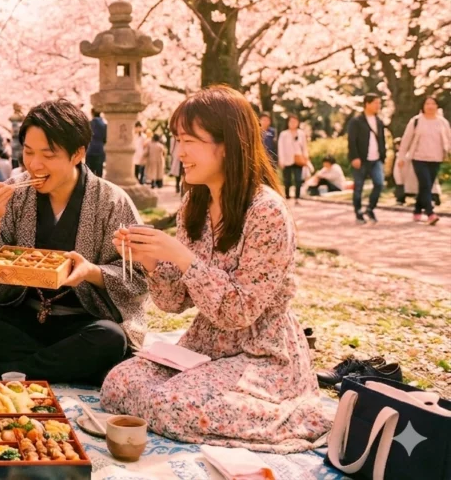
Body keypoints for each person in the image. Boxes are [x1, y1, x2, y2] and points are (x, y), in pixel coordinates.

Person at [101, 85, 330, 453]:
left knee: (173, 404)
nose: (181, 152)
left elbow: (239, 311)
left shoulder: (266, 212)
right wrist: (149, 260)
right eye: (178, 139)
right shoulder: (195, 202)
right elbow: (175, 303)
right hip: (203, 344)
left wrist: (183, 257)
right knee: (118, 382)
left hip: (259, 351)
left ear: (229, 143)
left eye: (190, 140)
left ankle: (290, 415)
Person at [0, 100, 148, 385]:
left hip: (81, 321)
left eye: (48, 154)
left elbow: (136, 277)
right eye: (28, 153)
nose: (34, 164)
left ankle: (4, 370)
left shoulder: (111, 200)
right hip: (24, 316)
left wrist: (91, 272)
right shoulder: (15, 193)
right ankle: (69, 366)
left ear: (77, 154)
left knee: (110, 338)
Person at [397, 96, 451, 225]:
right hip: (419, 158)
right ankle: (430, 213)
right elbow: (406, 140)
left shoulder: (442, 122)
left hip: (436, 158)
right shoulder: (416, 121)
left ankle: (417, 210)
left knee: (425, 187)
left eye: (433, 103)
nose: (430, 106)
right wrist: (401, 157)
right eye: (427, 103)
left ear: (437, 106)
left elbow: (449, 139)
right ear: (423, 106)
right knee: (426, 184)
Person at [347, 92, 387, 225]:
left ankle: (370, 208)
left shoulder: (379, 121)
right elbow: (351, 140)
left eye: (379, 103)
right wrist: (354, 157)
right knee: (359, 187)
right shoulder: (356, 121)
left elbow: (382, 139)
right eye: (375, 103)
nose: (378, 106)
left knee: (379, 183)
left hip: (376, 159)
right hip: (361, 159)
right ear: (367, 104)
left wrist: (383, 156)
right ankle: (358, 212)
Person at [278, 115, 310, 203]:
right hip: (287, 159)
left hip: (298, 159)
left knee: (298, 179)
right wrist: (281, 160)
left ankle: (297, 197)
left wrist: (306, 157)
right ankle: (287, 197)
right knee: (287, 180)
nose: (293, 123)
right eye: (291, 121)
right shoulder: (283, 134)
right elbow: (281, 147)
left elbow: (304, 147)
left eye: (295, 122)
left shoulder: (301, 133)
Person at [87, 109, 106, 177]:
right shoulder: (104, 125)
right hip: (100, 149)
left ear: (92, 113)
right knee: (99, 172)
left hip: (90, 149)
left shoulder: (89, 124)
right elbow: (105, 139)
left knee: (89, 173)